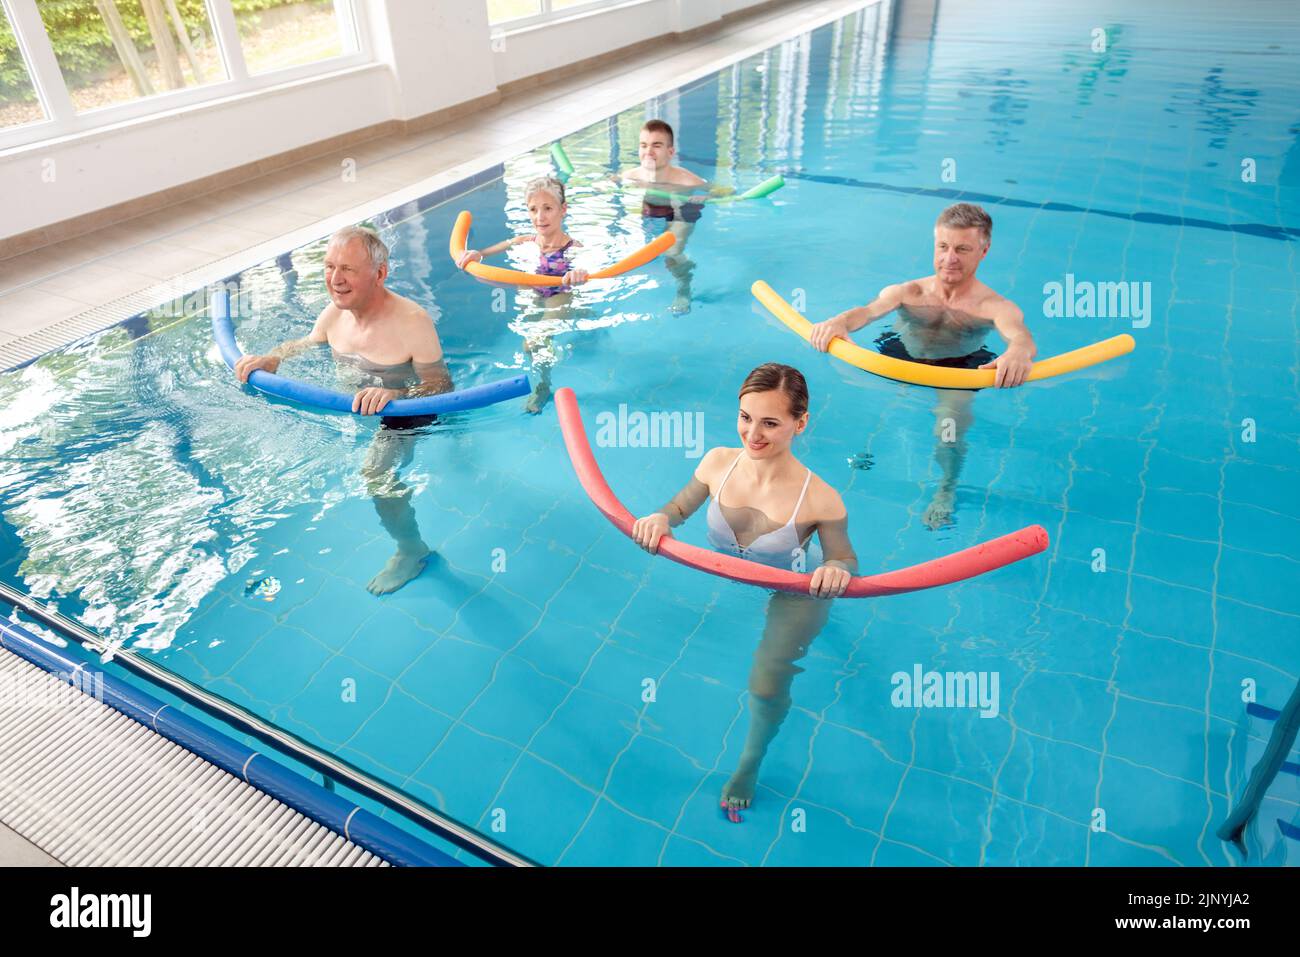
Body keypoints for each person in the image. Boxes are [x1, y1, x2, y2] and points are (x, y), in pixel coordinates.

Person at [630, 363, 858, 820]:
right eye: (745, 417)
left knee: (767, 685)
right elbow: (678, 507)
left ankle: (750, 764)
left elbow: (844, 558)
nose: (752, 434)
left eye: (770, 423)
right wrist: (660, 518)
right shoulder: (718, 462)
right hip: (730, 575)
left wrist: (836, 570)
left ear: (801, 423)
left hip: (796, 589)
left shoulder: (821, 498)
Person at [233, 225, 451, 594]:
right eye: (329, 266)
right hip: (361, 410)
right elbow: (307, 342)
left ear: (379, 274)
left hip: (403, 412)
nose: (335, 279)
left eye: (348, 269)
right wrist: (273, 359)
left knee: (374, 473)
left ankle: (411, 550)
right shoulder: (334, 315)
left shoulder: (412, 322)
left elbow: (442, 387)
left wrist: (395, 393)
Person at [808, 203, 1037, 529]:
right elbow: (869, 311)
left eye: (962, 249)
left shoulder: (994, 306)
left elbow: (1022, 338)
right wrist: (839, 322)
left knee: (949, 429)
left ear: (984, 251)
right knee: (876, 408)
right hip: (903, 353)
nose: (949, 258)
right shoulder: (909, 292)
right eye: (943, 247)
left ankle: (946, 488)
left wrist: (1018, 353)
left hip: (958, 366)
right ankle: (869, 451)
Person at [457, 176, 589, 413]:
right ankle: (568, 327)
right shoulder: (525, 241)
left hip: (560, 295)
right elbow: (484, 254)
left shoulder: (573, 248)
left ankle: (544, 386)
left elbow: (586, 271)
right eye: (533, 209)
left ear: (563, 210)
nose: (540, 217)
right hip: (533, 294)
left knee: (532, 343)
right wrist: (474, 256)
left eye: (548, 208)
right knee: (533, 342)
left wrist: (578, 274)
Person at [620, 119, 727, 315]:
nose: (649, 152)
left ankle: (683, 290)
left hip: (683, 211)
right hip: (653, 213)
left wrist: (706, 196)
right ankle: (683, 263)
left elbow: (722, 191)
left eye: (656, 145)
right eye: (644, 145)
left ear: (670, 152)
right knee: (651, 253)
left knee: (671, 253)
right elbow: (611, 183)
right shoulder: (633, 175)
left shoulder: (685, 179)